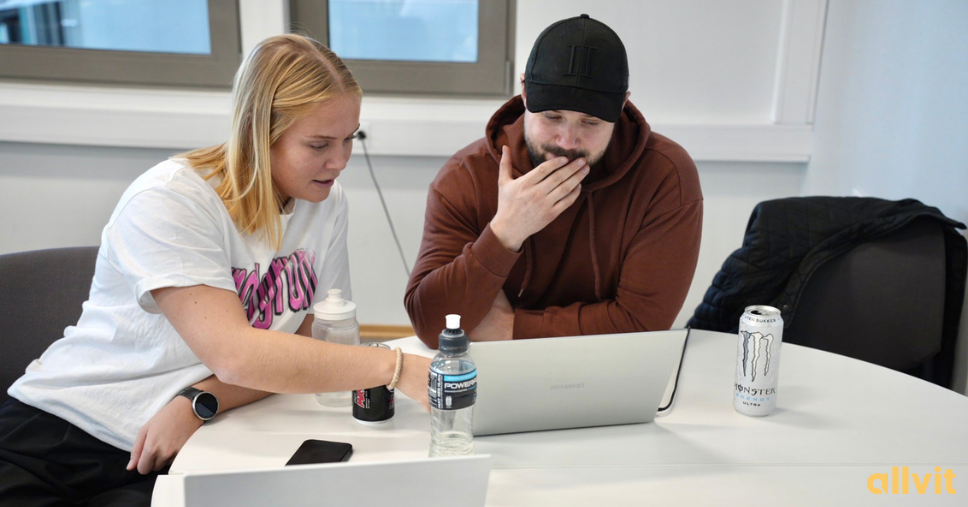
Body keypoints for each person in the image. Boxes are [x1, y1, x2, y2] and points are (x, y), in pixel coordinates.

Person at [0, 34, 430, 506]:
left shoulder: (324, 201)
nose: (340, 160)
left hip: (184, 442)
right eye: (319, 144)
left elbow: (306, 344)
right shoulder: (171, 200)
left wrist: (199, 403)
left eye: (350, 138)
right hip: (65, 433)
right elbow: (238, 355)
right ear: (256, 132)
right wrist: (395, 367)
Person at [405, 14, 703, 348]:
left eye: (589, 122)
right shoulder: (467, 175)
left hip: (609, 369)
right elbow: (434, 326)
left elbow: (642, 323)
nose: (567, 141)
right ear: (525, 94)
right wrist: (505, 233)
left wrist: (510, 330)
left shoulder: (664, 175)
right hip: (496, 372)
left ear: (622, 106)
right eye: (553, 117)